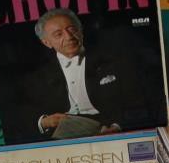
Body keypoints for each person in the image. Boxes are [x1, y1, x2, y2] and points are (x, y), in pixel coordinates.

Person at [22, 8, 155, 140]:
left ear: (81, 31)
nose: (69, 37)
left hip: (108, 127)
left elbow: (138, 101)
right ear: (46, 42)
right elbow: (25, 115)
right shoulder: (38, 76)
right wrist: (44, 122)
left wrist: (117, 126)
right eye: (58, 34)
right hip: (63, 135)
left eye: (72, 29)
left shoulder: (114, 60)